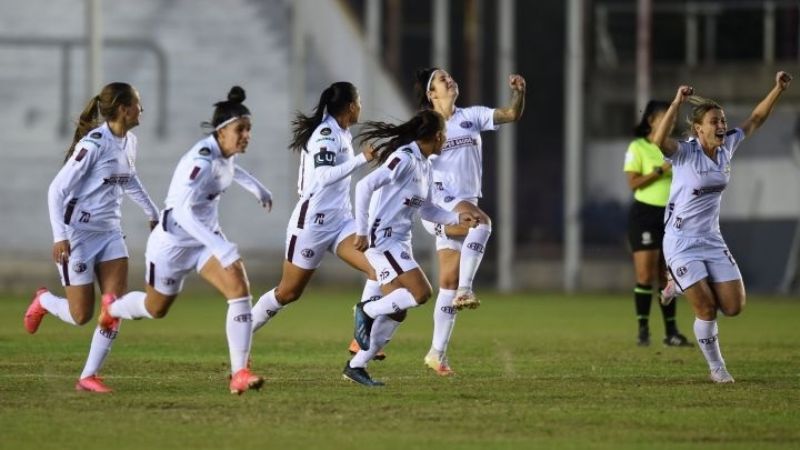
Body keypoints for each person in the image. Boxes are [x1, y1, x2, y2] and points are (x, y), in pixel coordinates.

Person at [99, 86, 273, 394]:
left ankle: (239, 373)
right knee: (156, 308)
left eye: (249, 129)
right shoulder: (202, 159)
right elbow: (181, 210)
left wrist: (257, 188)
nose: (246, 135)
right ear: (221, 132)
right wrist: (220, 245)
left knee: (239, 289)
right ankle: (111, 310)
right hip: (172, 244)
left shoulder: (222, 153)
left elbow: (230, 169)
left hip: (203, 242)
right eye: (241, 129)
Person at [651, 71, 792, 383]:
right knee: (706, 308)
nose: (722, 126)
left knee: (734, 306)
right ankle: (717, 368)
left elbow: (755, 118)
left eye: (723, 120)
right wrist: (676, 102)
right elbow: (658, 140)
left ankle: (679, 280)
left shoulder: (728, 146)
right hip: (680, 241)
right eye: (714, 122)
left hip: (712, 240)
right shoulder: (685, 153)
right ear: (699, 129)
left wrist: (777, 89)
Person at [24, 82, 160, 393]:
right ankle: (43, 300)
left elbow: (129, 179)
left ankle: (88, 376)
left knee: (113, 305)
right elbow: (56, 190)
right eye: (138, 104)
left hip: (110, 233)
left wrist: (154, 213)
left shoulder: (131, 141)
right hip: (79, 235)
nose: (142, 110)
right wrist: (60, 236)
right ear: (125, 109)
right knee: (81, 315)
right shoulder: (94, 144)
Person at [248, 82, 386, 356]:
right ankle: (241, 332)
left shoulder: (342, 132)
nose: (361, 106)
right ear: (350, 106)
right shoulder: (325, 133)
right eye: (358, 101)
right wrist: (362, 159)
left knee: (379, 268)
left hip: (341, 222)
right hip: (313, 223)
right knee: (288, 293)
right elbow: (323, 177)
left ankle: (362, 335)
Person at [344, 109, 480, 386]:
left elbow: (428, 209)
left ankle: (356, 366)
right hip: (383, 239)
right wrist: (361, 229)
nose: (446, 141)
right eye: (445, 136)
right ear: (439, 136)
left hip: (398, 241)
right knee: (421, 293)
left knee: (398, 309)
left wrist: (457, 218)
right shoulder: (404, 157)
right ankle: (367, 310)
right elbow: (365, 186)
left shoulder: (425, 166)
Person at [415, 67, 525, 376]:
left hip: (463, 203)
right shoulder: (426, 126)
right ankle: (467, 288)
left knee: (445, 286)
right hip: (441, 204)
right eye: (441, 79)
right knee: (482, 223)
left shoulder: (471, 116)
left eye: (450, 75)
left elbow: (511, 114)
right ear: (431, 94)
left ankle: (437, 353)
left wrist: (519, 92)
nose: (449, 79)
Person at [623, 100, 691, 347]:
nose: (670, 123)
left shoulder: (675, 148)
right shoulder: (638, 147)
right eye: (665, 118)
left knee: (668, 277)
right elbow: (633, 183)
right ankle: (643, 330)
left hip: (672, 216)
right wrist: (660, 171)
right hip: (644, 215)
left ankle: (671, 332)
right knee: (644, 275)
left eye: (673, 119)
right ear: (651, 120)